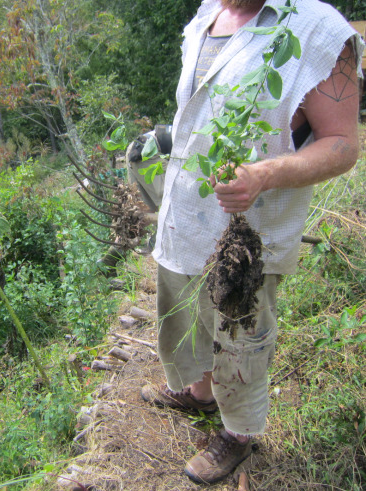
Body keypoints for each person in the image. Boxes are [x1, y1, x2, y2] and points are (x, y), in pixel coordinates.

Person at [140, 0, 364, 485]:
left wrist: (263, 174)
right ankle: (198, 393)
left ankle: (238, 433)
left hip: (245, 233)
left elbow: (344, 144)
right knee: (184, 309)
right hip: (184, 218)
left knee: (239, 331)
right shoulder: (208, 14)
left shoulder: (317, 30)